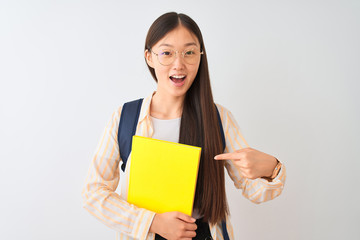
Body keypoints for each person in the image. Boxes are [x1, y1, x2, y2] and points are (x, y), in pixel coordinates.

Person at [82, 12, 286, 240]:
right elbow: (93, 192)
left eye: (189, 52)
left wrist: (272, 168)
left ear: (200, 56)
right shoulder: (125, 117)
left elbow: (256, 191)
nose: (179, 64)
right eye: (167, 53)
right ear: (149, 57)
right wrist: (153, 222)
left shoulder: (219, 118)